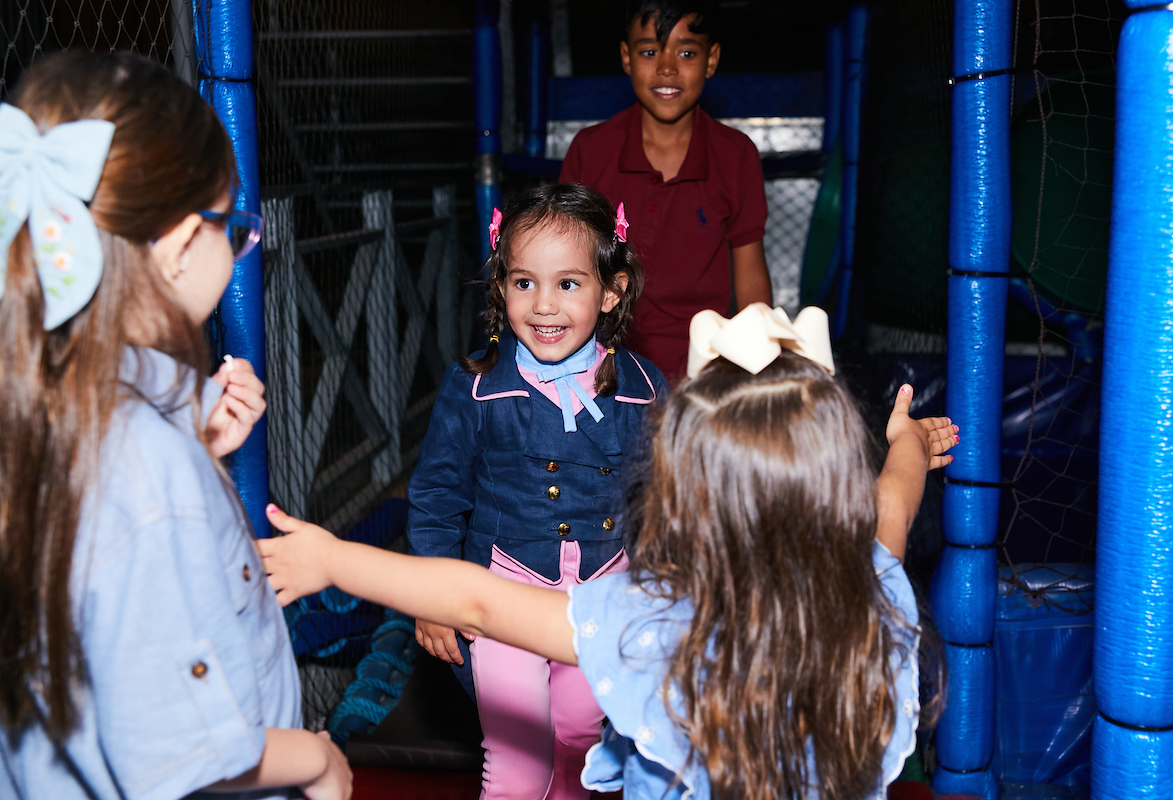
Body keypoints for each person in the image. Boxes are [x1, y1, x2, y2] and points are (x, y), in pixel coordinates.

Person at [256, 303, 959, 800]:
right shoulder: (872, 591)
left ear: (682, 492)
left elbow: (474, 599)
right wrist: (908, 442)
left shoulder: (658, 624)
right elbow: (891, 504)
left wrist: (332, 560)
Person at [0, 52, 350, 800]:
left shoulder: (38, 405)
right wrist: (318, 760)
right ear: (184, 241)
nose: (240, 242)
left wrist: (195, 449)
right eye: (235, 225)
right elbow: (183, 758)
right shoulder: (147, 469)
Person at [404, 183, 667, 800]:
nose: (544, 305)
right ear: (501, 287)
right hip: (502, 596)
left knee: (581, 744)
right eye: (525, 282)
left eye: (568, 284)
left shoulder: (643, 389)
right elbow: (438, 495)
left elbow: (663, 499)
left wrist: (664, 588)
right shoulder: (474, 386)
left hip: (602, 600)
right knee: (517, 761)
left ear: (612, 290)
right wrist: (432, 594)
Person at [559, 0, 773, 382]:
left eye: (687, 52)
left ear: (711, 59)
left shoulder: (736, 154)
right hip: (605, 366)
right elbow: (565, 271)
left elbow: (751, 276)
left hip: (706, 370)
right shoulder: (590, 151)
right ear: (626, 57)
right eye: (650, 51)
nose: (667, 67)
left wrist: (757, 365)